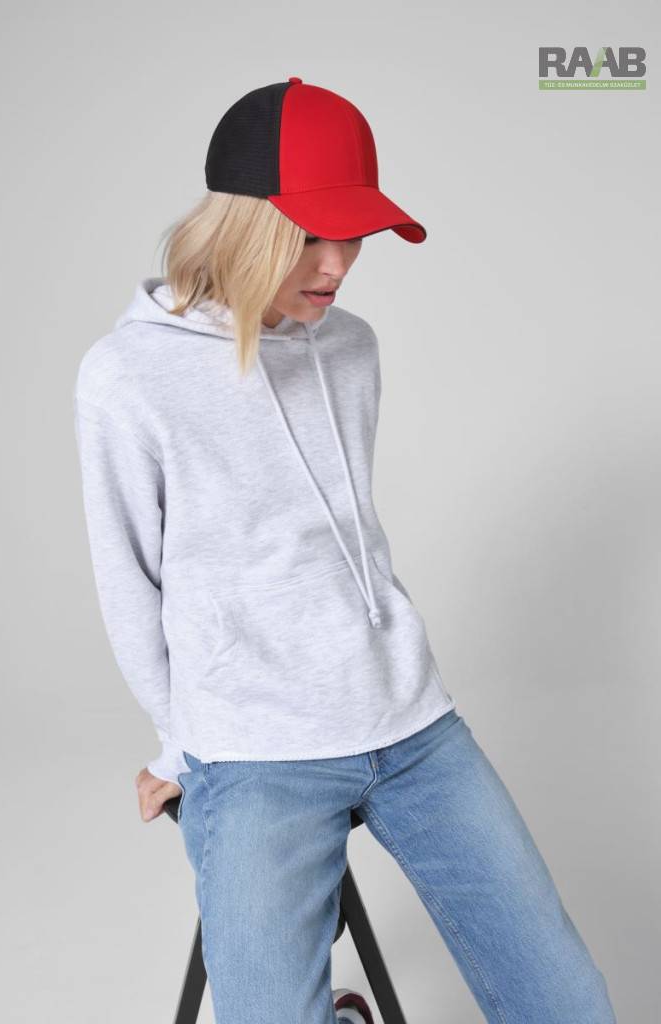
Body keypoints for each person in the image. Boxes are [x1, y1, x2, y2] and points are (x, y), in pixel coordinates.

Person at [73, 77, 617, 1024]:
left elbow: (338, 540)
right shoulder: (127, 375)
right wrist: (181, 745)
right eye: (312, 236)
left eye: (355, 235)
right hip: (254, 751)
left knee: (568, 1005)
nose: (339, 266)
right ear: (243, 223)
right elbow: (130, 579)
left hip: (411, 726)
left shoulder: (350, 348)